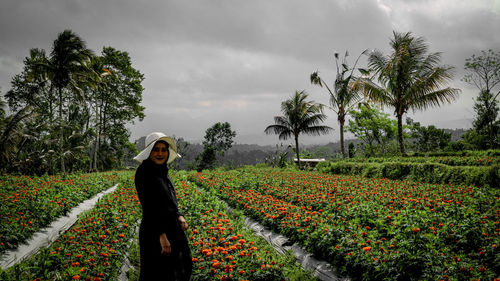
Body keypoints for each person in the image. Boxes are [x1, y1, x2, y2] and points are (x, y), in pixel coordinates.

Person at [134, 132, 192, 281]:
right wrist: (161, 236)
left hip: (172, 228)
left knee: (178, 268)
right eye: (156, 149)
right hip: (155, 231)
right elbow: (149, 207)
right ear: (149, 152)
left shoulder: (162, 172)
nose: (160, 153)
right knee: (158, 272)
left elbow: (169, 198)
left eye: (163, 149)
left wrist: (179, 215)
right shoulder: (144, 173)